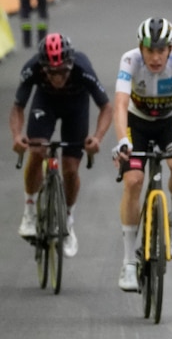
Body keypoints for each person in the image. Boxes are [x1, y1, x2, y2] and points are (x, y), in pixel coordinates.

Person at [112, 18, 172, 292]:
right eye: (149, 50)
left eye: (160, 51)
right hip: (136, 121)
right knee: (133, 181)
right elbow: (119, 104)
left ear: (170, 49)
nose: (155, 57)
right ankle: (129, 262)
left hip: (168, 120)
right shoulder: (129, 61)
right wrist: (121, 143)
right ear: (140, 48)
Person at [9, 32, 112, 257]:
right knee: (37, 151)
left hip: (76, 108)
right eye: (51, 73)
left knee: (70, 168)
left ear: (70, 64)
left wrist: (97, 138)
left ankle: (67, 220)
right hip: (45, 103)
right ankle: (29, 210)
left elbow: (106, 107)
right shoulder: (32, 67)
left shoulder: (82, 68)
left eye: (62, 72)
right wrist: (17, 136)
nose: (57, 78)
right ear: (43, 66)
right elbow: (18, 106)